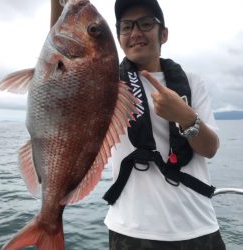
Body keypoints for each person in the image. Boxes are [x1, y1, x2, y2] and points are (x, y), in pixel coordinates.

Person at [50, 0, 226, 249]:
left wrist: (185, 116)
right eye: (126, 26)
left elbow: (210, 148)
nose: (135, 33)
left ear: (163, 34)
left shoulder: (191, 81)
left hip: (199, 226)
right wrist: (59, 6)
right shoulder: (106, 84)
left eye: (145, 24)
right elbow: (60, 58)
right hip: (130, 230)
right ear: (118, 36)